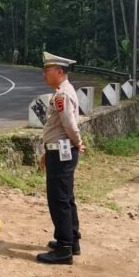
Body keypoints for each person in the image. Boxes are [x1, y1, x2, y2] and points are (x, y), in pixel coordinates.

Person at [37, 52, 86, 264]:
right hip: (58, 150)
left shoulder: (62, 95)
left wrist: (78, 142)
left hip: (63, 151)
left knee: (58, 199)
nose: (44, 75)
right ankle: (71, 240)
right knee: (66, 197)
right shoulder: (63, 91)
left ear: (59, 71)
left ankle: (64, 248)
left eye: (47, 70)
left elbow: (69, 125)